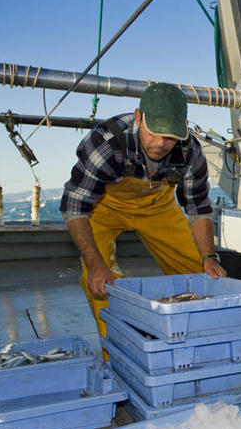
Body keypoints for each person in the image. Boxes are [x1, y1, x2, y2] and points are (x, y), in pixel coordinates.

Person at [60, 82, 227, 337]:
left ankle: (200, 338)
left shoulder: (190, 150)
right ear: (139, 118)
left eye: (170, 136)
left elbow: (198, 208)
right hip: (102, 208)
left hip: (157, 207)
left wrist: (209, 256)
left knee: (201, 272)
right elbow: (75, 206)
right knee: (100, 283)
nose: (161, 143)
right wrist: (95, 263)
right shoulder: (107, 142)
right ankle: (117, 350)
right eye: (154, 132)